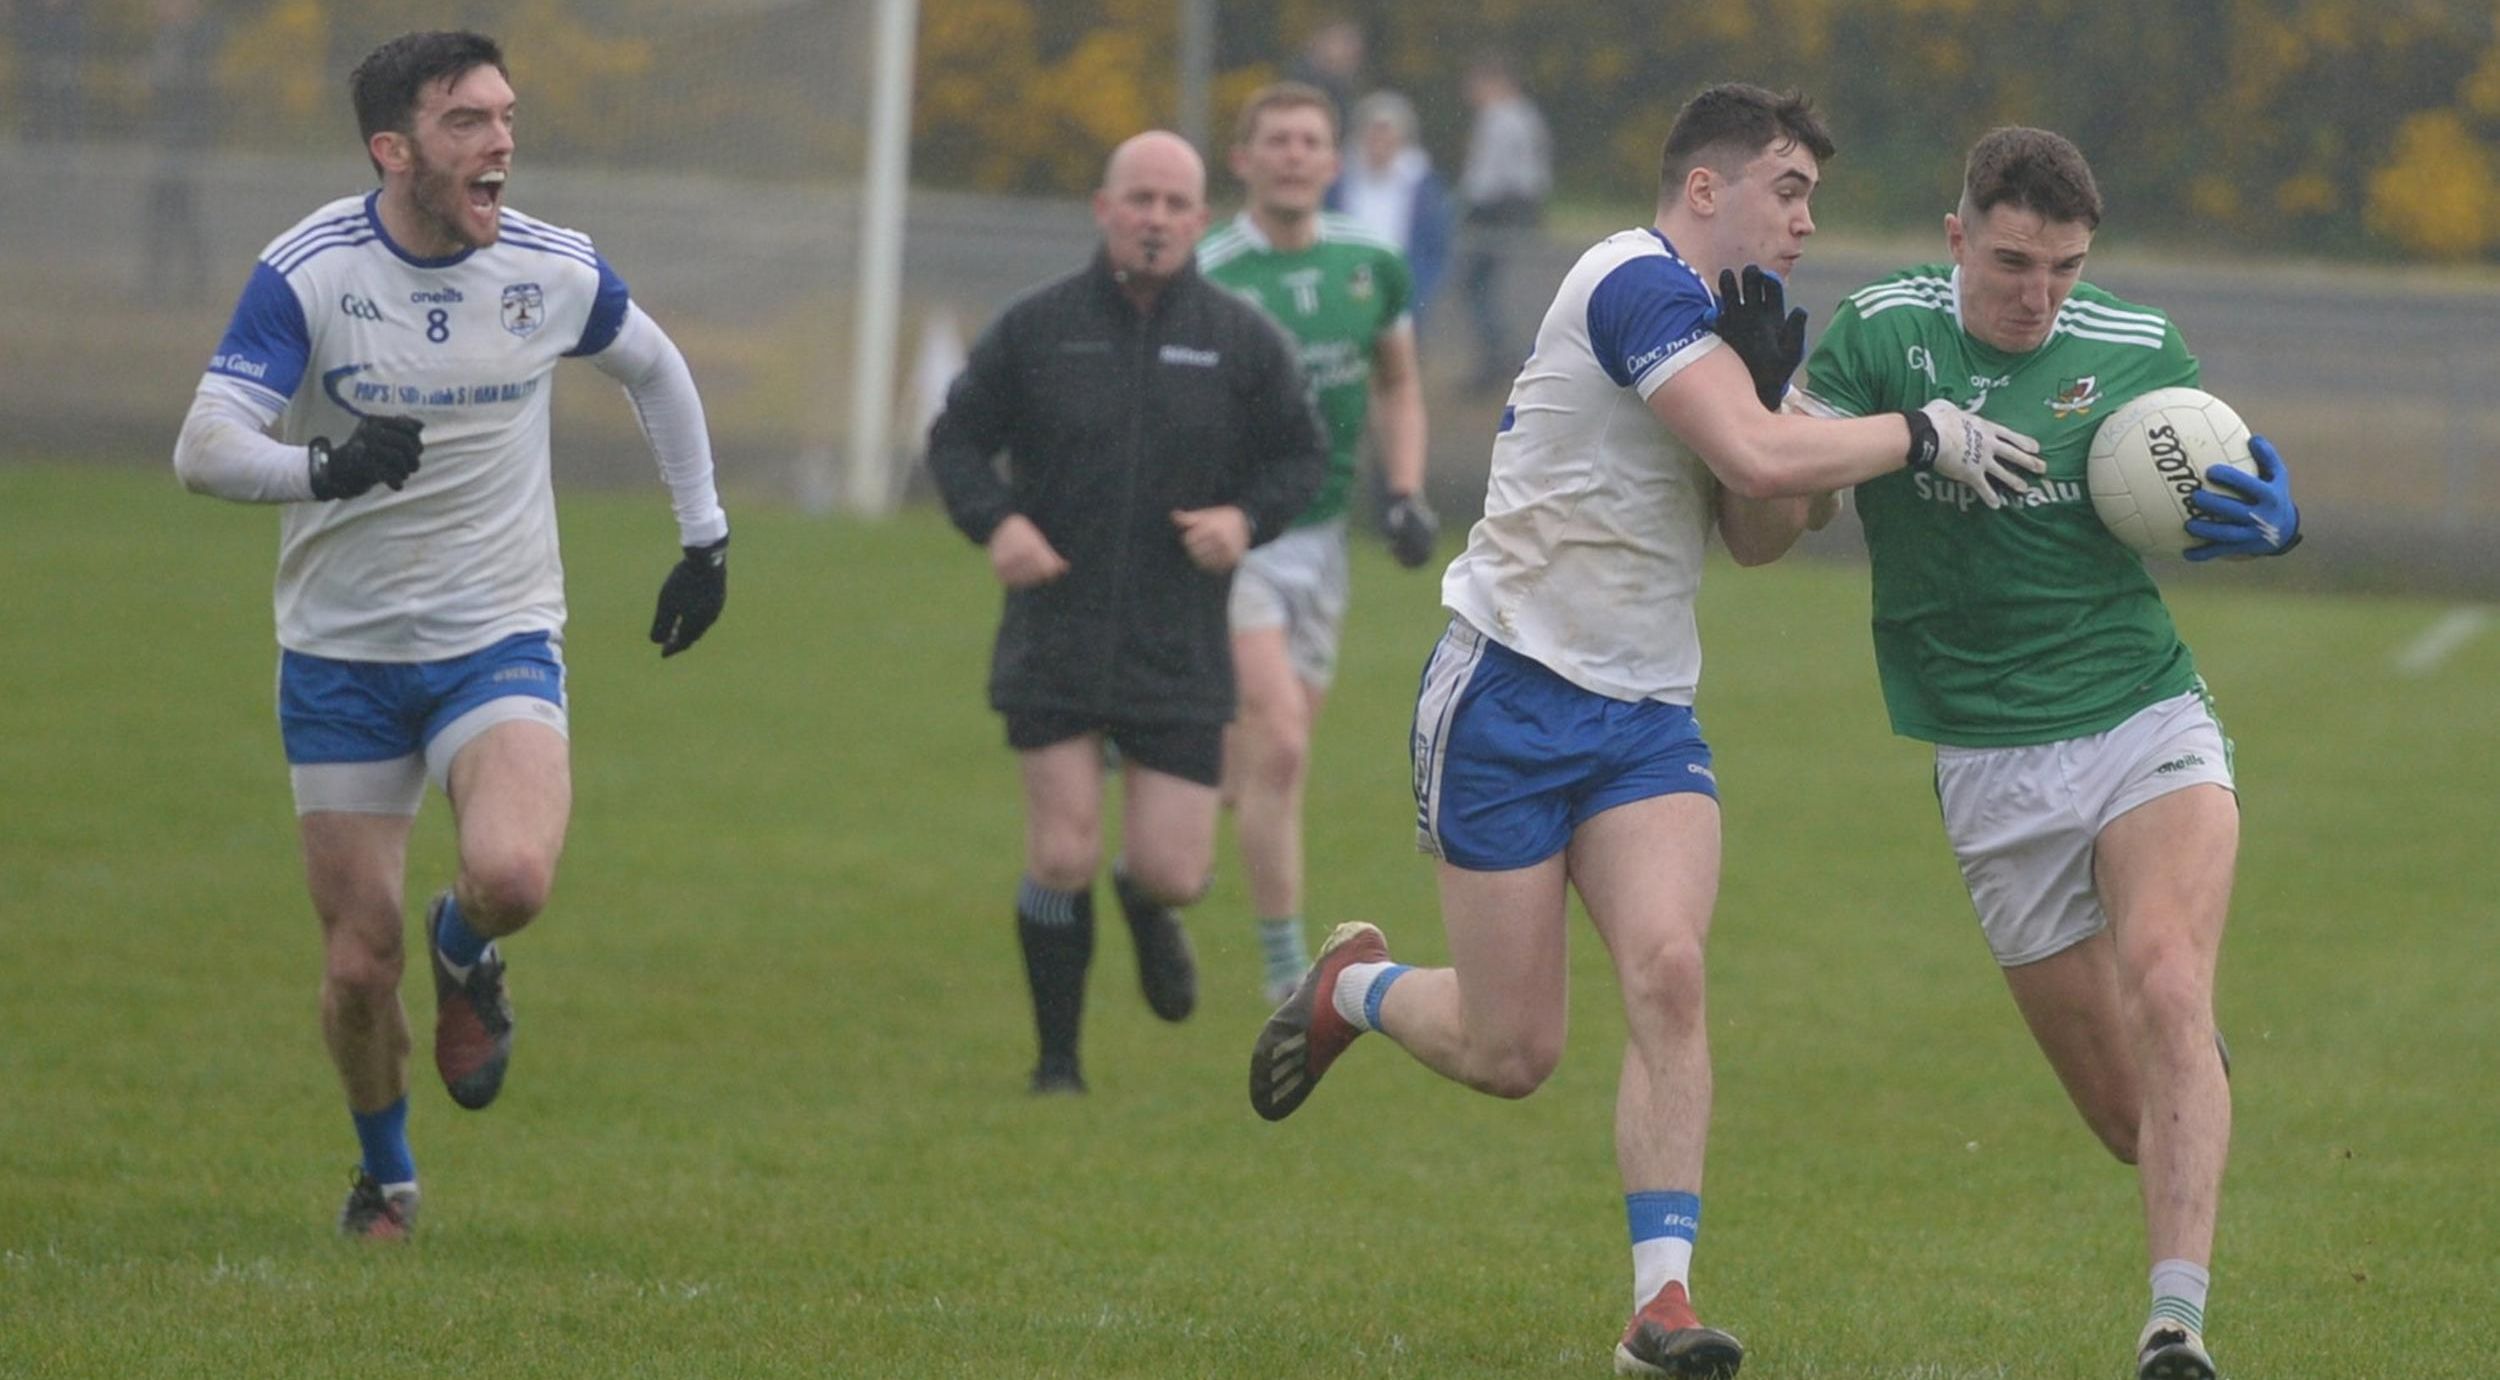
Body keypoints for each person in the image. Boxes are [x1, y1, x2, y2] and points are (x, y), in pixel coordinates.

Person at [1248, 83, 2045, 1379]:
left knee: (1670, 971)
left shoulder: (1733, 338)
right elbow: (1765, 456)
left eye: (1813, 202)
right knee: (1515, 1053)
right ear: (1704, 190)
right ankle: (1357, 986)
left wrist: (1786, 424)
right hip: (1503, 697)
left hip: (1644, 718)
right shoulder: (1629, 283)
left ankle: (1658, 1309)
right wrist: (1905, 435)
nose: (1803, 224)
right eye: (1787, 192)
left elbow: (1755, 533)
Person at [171, 31, 733, 1240]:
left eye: (506, 118)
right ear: (394, 148)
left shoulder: (548, 267)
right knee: (358, 967)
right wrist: (323, 466)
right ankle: (388, 1174)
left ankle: (466, 944)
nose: (501, 145)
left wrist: (706, 539)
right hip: (340, 655)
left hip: (497, 632)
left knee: (514, 875)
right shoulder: (310, 271)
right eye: (467, 123)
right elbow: (204, 447)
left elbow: (658, 371)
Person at [1788, 127, 2304, 1380]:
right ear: (1957, 235)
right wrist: (1882, 430)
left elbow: (2200, 478)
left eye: (2065, 268)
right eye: (2013, 262)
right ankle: (2188, 1085)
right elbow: (1773, 512)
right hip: (1986, 760)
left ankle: (2173, 1327)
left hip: (2142, 713)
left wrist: (2265, 518)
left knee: (2172, 980)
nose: (2038, 296)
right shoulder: (1876, 331)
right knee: (2133, 1121)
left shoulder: (2135, 347)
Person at [927, 130, 1326, 1096]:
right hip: (1053, 631)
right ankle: (1056, 1066)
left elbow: (1301, 459)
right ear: (1104, 209)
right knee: (1060, 848)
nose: (1154, 219)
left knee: (1176, 870)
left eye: (1173, 204)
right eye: (1137, 200)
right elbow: (955, 441)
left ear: (1200, 220)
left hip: (1179, 645)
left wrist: (1246, 518)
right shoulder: (1038, 326)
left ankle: (1146, 904)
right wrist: (998, 525)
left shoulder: (1239, 339)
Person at [1200, 82, 1437, 1006]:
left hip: (1324, 540)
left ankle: (1170, 795)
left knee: (1248, 770)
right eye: (1277, 140)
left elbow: (1398, 382)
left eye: (1311, 141)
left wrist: (1408, 490)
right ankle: (1280, 969)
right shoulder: (1210, 271)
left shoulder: (1371, 265)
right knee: (1285, 747)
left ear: (1334, 163)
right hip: (1236, 537)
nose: (1295, 154)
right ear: (1244, 160)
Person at [1455, 52, 1551, 395]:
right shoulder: (1525, 115)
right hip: (1519, 205)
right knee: (1488, 284)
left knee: (1477, 285)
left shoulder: (1499, 118)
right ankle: (1500, 355)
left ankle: (1495, 358)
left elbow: (1486, 174)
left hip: (1498, 207)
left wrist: (1462, 208)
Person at [1326, 90, 1454, 332]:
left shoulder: (1422, 184)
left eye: (1388, 136)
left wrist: (1420, 289)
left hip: (1403, 282)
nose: (1380, 144)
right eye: (1373, 135)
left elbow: (1436, 245)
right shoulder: (1340, 181)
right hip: (1348, 280)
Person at [141, 0, 219, 303]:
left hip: (183, 137)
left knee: (174, 206)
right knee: (172, 208)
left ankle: (171, 279)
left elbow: (196, 92)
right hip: (167, 135)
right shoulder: (163, 39)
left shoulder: (199, 41)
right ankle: (179, 278)